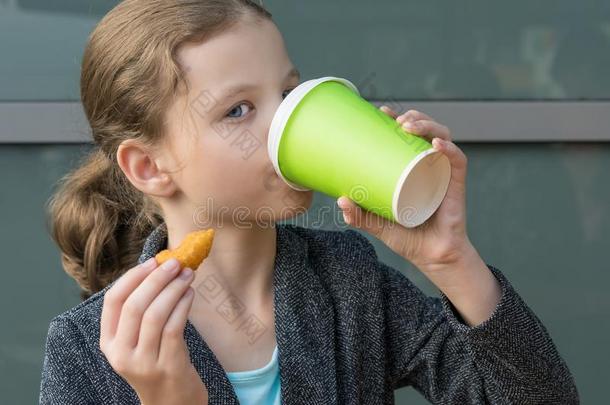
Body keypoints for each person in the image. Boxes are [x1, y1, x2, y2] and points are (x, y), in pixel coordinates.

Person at [39, 0, 579, 404]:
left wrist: (451, 259)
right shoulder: (86, 353)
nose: (283, 121)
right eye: (238, 110)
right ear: (149, 167)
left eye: (288, 91)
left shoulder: (348, 281)